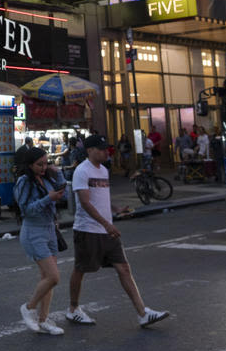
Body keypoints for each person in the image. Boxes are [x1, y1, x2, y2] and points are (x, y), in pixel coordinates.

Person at [67, 134, 171, 328]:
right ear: (90, 150)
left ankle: (143, 313)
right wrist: (107, 224)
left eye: (107, 148)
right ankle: (73, 309)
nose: (107, 152)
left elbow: (101, 198)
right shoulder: (81, 171)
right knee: (81, 269)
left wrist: (116, 210)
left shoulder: (104, 171)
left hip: (107, 230)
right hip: (88, 230)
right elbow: (85, 203)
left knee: (123, 268)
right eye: (102, 149)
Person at [14, 147, 67, 335]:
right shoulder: (24, 181)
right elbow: (26, 210)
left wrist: (58, 175)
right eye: (39, 164)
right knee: (54, 276)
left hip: (50, 230)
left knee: (47, 278)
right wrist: (47, 199)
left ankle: (44, 320)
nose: (44, 167)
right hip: (33, 232)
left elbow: (65, 197)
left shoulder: (47, 178)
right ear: (30, 165)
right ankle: (29, 307)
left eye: (46, 163)